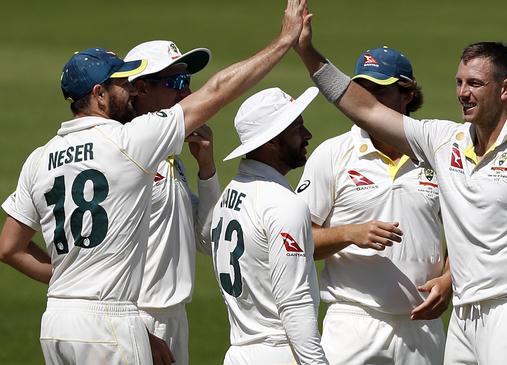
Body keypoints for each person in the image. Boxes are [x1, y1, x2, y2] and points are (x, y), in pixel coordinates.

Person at [0, 1, 308, 364]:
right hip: (119, 316)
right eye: (122, 84)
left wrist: (74, 283)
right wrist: (285, 39)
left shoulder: (42, 156)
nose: (128, 90)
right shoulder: (132, 144)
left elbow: (9, 247)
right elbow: (219, 91)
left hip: (61, 318)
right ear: (101, 94)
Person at [294, 16, 507, 365]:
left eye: (475, 83)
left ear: (505, 89)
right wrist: (308, 53)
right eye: (459, 82)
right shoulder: (445, 141)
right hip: (464, 319)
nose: (463, 92)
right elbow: (365, 109)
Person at [295, 46, 450, 364]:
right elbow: (296, 242)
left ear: (406, 94)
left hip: (423, 329)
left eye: (377, 90)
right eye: (360, 88)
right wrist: (350, 234)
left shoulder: (440, 155)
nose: (364, 99)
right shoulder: (333, 154)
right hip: (353, 325)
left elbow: (470, 235)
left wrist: (450, 280)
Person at [213, 87, 328, 365]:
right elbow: (294, 301)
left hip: (239, 352)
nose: (308, 135)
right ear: (272, 143)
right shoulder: (284, 204)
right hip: (279, 352)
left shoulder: (228, 195)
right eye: (297, 129)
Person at [123, 40, 220, 365]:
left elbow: (207, 241)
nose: (187, 94)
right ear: (140, 89)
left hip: (173, 316)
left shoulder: (170, 158)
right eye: (175, 83)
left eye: (188, 83)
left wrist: (206, 168)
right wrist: (137, 328)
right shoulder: (123, 156)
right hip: (137, 316)